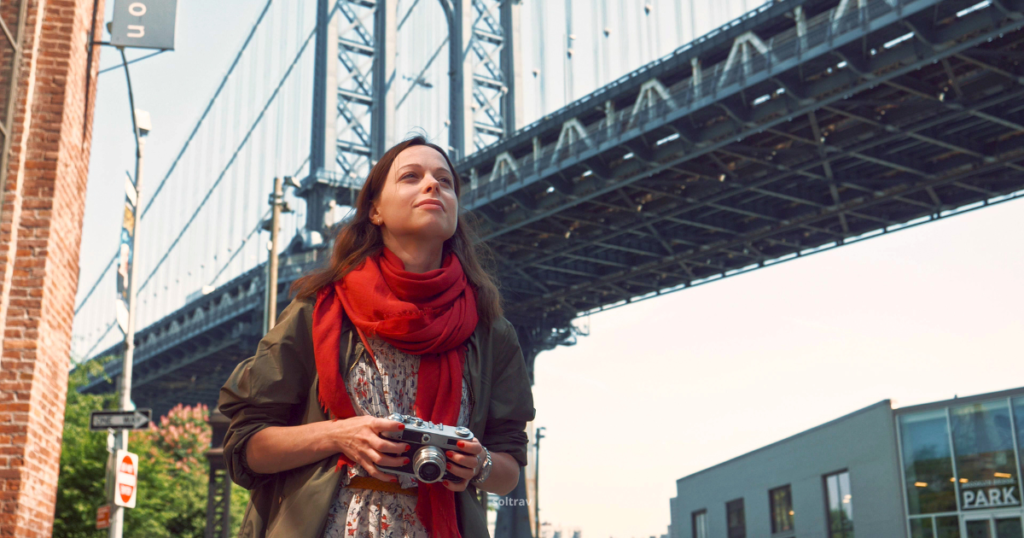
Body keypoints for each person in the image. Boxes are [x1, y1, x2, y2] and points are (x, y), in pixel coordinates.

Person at [218, 136, 535, 538]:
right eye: (411, 177)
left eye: (445, 181)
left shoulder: (490, 330)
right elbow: (247, 448)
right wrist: (339, 434)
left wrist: (480, 464)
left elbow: (508, 470)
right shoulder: (319, 310)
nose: (433, 185)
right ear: (375, 210)